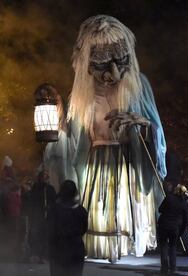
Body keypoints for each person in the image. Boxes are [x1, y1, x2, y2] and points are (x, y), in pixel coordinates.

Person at [44, 15, 166, 262]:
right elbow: (74, 140)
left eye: (120, 62)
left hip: (127, 161)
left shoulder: (138, 86)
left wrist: (143, 126)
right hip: (95, 163)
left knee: (121, 205)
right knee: (100, 207)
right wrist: (57, 127)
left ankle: (124, 242)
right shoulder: (82, 95)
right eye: (102, 64)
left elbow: (156, 127)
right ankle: (103, 245)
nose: (112, 73)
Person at [49, 180, 88, 276]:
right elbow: (84, 229)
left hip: (58, 249)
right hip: (76, 248)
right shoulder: (81, 210)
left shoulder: (54, 210)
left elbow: (49, 229)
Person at [157, 180, 188, 274]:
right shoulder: (183, 203)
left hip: (163, 225)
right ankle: (173, 268)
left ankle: (164, 268)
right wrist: (181, 231)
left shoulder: (169, 198)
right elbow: (186, 219)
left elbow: (160, 209)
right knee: (173, 248)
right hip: (175, 228)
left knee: (163, 247)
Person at [27, 169, 56, 262]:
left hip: (47, 216)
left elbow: (54, 201)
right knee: (35, 235)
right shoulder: (35, 187)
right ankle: (35, 254)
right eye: (43, 176)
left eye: (46, 176)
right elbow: (32, 201)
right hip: (37, 215)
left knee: (45, 236)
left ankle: (44, 255)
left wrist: (50, 207)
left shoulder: (50, 189)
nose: (45, 178)